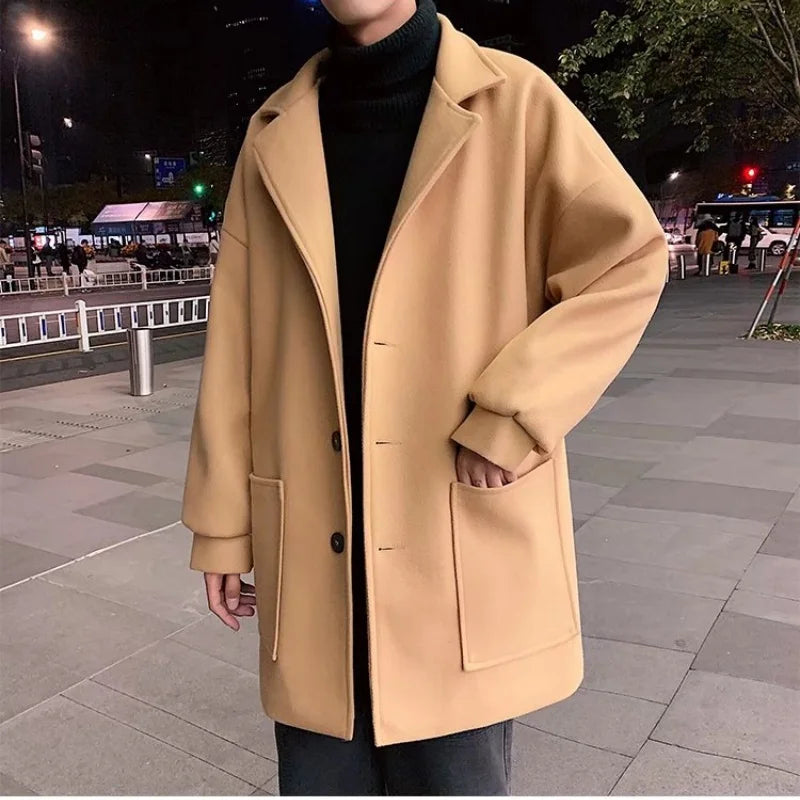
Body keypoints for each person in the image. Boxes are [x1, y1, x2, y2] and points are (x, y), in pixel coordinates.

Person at [181, 1, 667, 795]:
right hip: (313, 541)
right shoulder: (274, 133)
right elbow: (236, 341)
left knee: (453, 773)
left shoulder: (516, 101)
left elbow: (627, 259)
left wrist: (512, 412)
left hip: (449, 530)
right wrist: (223, 526)